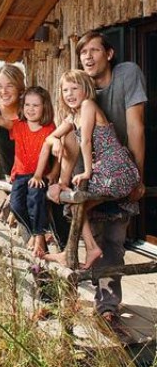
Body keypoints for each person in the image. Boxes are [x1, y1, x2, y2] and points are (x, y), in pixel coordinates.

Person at [48, 32, 147, 323]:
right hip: (88, 173)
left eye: (94, 50)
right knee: (86, 225)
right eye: (83, 52)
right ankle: (90, 298)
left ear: (109, 54)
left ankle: (108, 306)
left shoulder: (127, 75)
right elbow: (67, 136)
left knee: (115, 238)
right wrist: (55, 141)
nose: (89, 57)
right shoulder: (79, 88)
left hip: (113, 170)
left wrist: (137, 178)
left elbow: (136, 128)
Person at [39, 70, 140, 269]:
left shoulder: (88, 105)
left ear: (85, 89)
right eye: (65, 90)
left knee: (73, 198)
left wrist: (86, 172)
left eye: (74, 88)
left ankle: (80, 249)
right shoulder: (72, 116)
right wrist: (56, 142)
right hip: (107, 170)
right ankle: (90, 248)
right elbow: (49, 137)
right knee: (74, 204)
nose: (69, 94)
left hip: (117, 168)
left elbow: (85, 140)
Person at [0, 86, 57, 257]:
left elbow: (58, 150)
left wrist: (53, 172)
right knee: (17, 205)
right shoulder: (19, 126)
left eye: (36, 105)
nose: (30, 109)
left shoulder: (49, 128)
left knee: (35, 200)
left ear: (45, 107)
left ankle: (39, 235)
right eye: (27, 105)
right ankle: (33, 231)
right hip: (19, 175)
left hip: (39, 176)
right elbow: (2, 121)